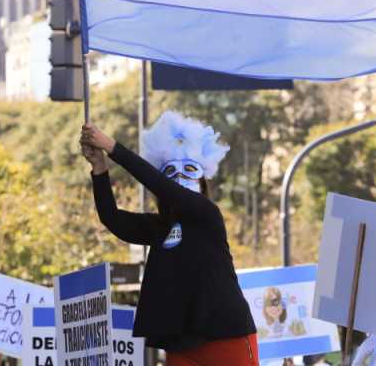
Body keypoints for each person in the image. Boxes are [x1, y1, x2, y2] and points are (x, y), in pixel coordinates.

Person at [80, 111, 258, 366]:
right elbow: (112, 218)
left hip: (226, 337)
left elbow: (160, 185)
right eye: (170, 172)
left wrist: (111, 146)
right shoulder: (160, 227)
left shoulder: (208, 215)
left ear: (203, 181)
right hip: (180, 342)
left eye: (189, 170)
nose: (179, 177)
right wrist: (99, 169)